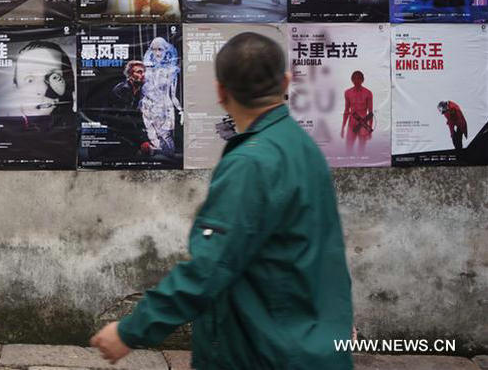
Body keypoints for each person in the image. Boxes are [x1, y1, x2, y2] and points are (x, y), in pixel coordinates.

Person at [91, 32, 354, 370]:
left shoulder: (250, 163)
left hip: (263, 353)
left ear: (220, 92)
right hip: (315, 346)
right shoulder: (303, 147)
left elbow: (210, 268)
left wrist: (130, 331)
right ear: (286, 82)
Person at [140, 37, 182, 157]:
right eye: (154, 49)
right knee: (152, 134)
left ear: (166, 50)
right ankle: (157, 153)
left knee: (166, 136)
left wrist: (180, 110)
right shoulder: (147, 70)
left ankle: (167, 157)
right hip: (148, 106)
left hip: (164, 107)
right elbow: (144, 90)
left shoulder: (171, 71)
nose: (157, 53)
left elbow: (172, 93)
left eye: (160, 49)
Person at [108, 60, 152, 157]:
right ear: (130, 75)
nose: (143, 75)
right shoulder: (123, 89)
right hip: (114, 134)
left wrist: (145, 139)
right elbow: (125, 118)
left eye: (144, 72)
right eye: (139, 72)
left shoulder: (138, 91)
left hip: (126, 132)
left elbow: (137, 116)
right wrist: (141, 141)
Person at [341, 70, 373, 154]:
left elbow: (370, 112)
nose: (356, 81)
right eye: (354, 79)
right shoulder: (347, 92)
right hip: (352, 122)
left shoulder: (368, 93)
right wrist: (343, 127)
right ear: (352, 80)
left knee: (361, 149)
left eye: (359, 78)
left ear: (362, 80)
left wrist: (369, 129)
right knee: (348, 147)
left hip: (363, 122)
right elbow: (346, 110)